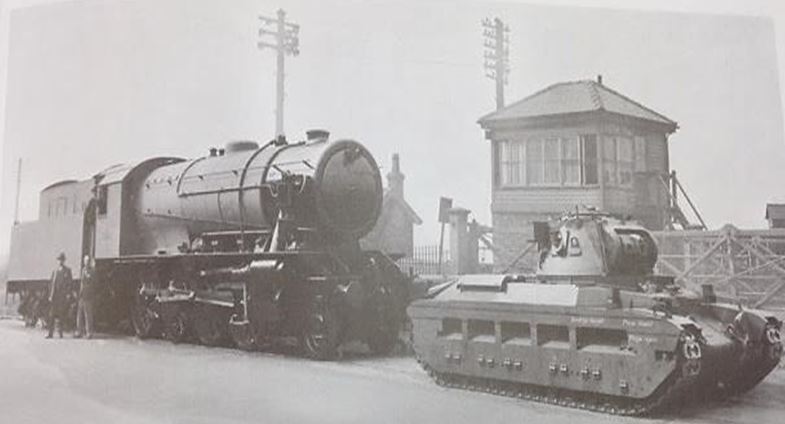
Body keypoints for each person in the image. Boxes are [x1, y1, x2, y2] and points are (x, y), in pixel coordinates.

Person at [46, 252, 73, 339]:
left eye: (61, 260)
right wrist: (50, 295)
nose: (60, 261)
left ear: (64, 261)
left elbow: (69, 284)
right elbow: (51, 283)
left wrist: (68, 294)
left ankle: (60, 332)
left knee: (61, 315)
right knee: (51, 315)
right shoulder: (55, 271)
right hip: (55, 296)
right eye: (59, 260)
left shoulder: (67, 271)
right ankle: (50, 333)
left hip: (62, 296)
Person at [75, 255, 97, 339]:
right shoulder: (83, 270)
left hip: (88, 295)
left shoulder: (92, 271)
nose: (86, 263)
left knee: (88, 315)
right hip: (82, 295)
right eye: (85, 261)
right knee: (79, 314)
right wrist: (80, 293)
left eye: (87, 261)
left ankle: (89, 332)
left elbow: (92, 281)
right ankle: (79, 331)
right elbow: (82, 282)